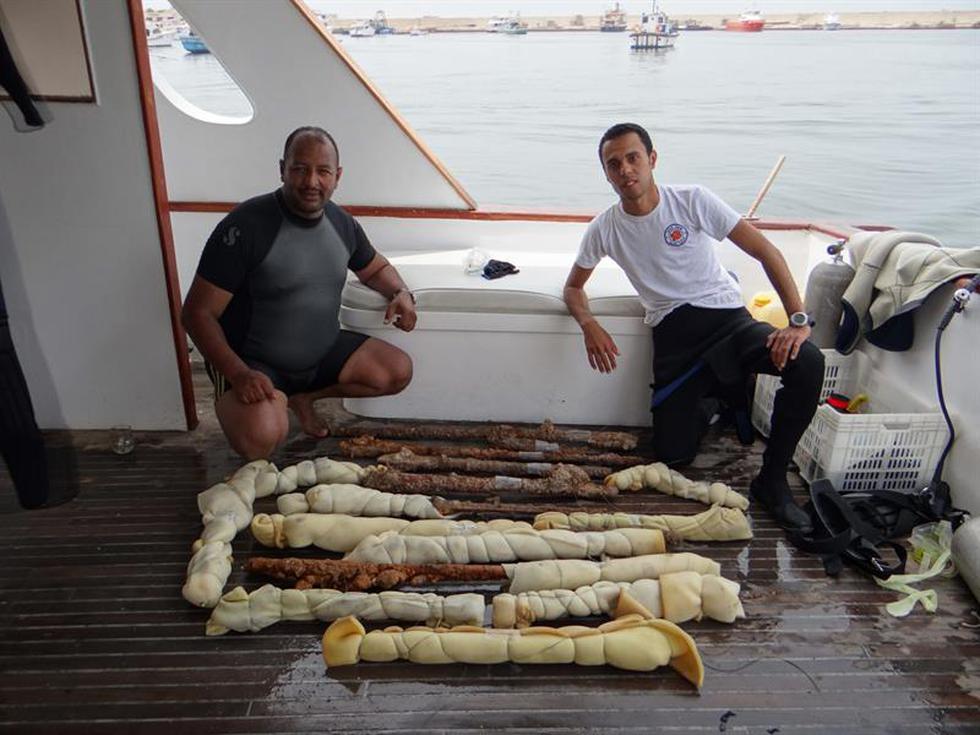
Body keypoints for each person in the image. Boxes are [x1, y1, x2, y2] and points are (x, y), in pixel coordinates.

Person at [563, 122, 824, 531]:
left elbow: (764, 250)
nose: (625, 170)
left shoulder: (692, 201)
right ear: (607, 174)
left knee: (807, 361)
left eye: (633, 158)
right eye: (614, 164)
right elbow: (573, 288)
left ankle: (772, 481)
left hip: (727, 319)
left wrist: (797, 321)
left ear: (652, 159)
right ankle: (719, 397)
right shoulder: (605, 228)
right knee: (672, 456)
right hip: (675, 336)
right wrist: (588, 323)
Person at [181, 126, 416, 460]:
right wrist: (238, 373)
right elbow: (196, 314)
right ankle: (265, 401)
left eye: (323, 171)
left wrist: (400, 292)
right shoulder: (245, 226)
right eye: (299, 169)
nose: (311, 182)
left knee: (396, 370)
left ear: (338, 176)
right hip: (254, 363)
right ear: (282, 169)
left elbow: (375, 269)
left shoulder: (341, 222)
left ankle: (302, 397)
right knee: (262, 438)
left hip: (320, 353)